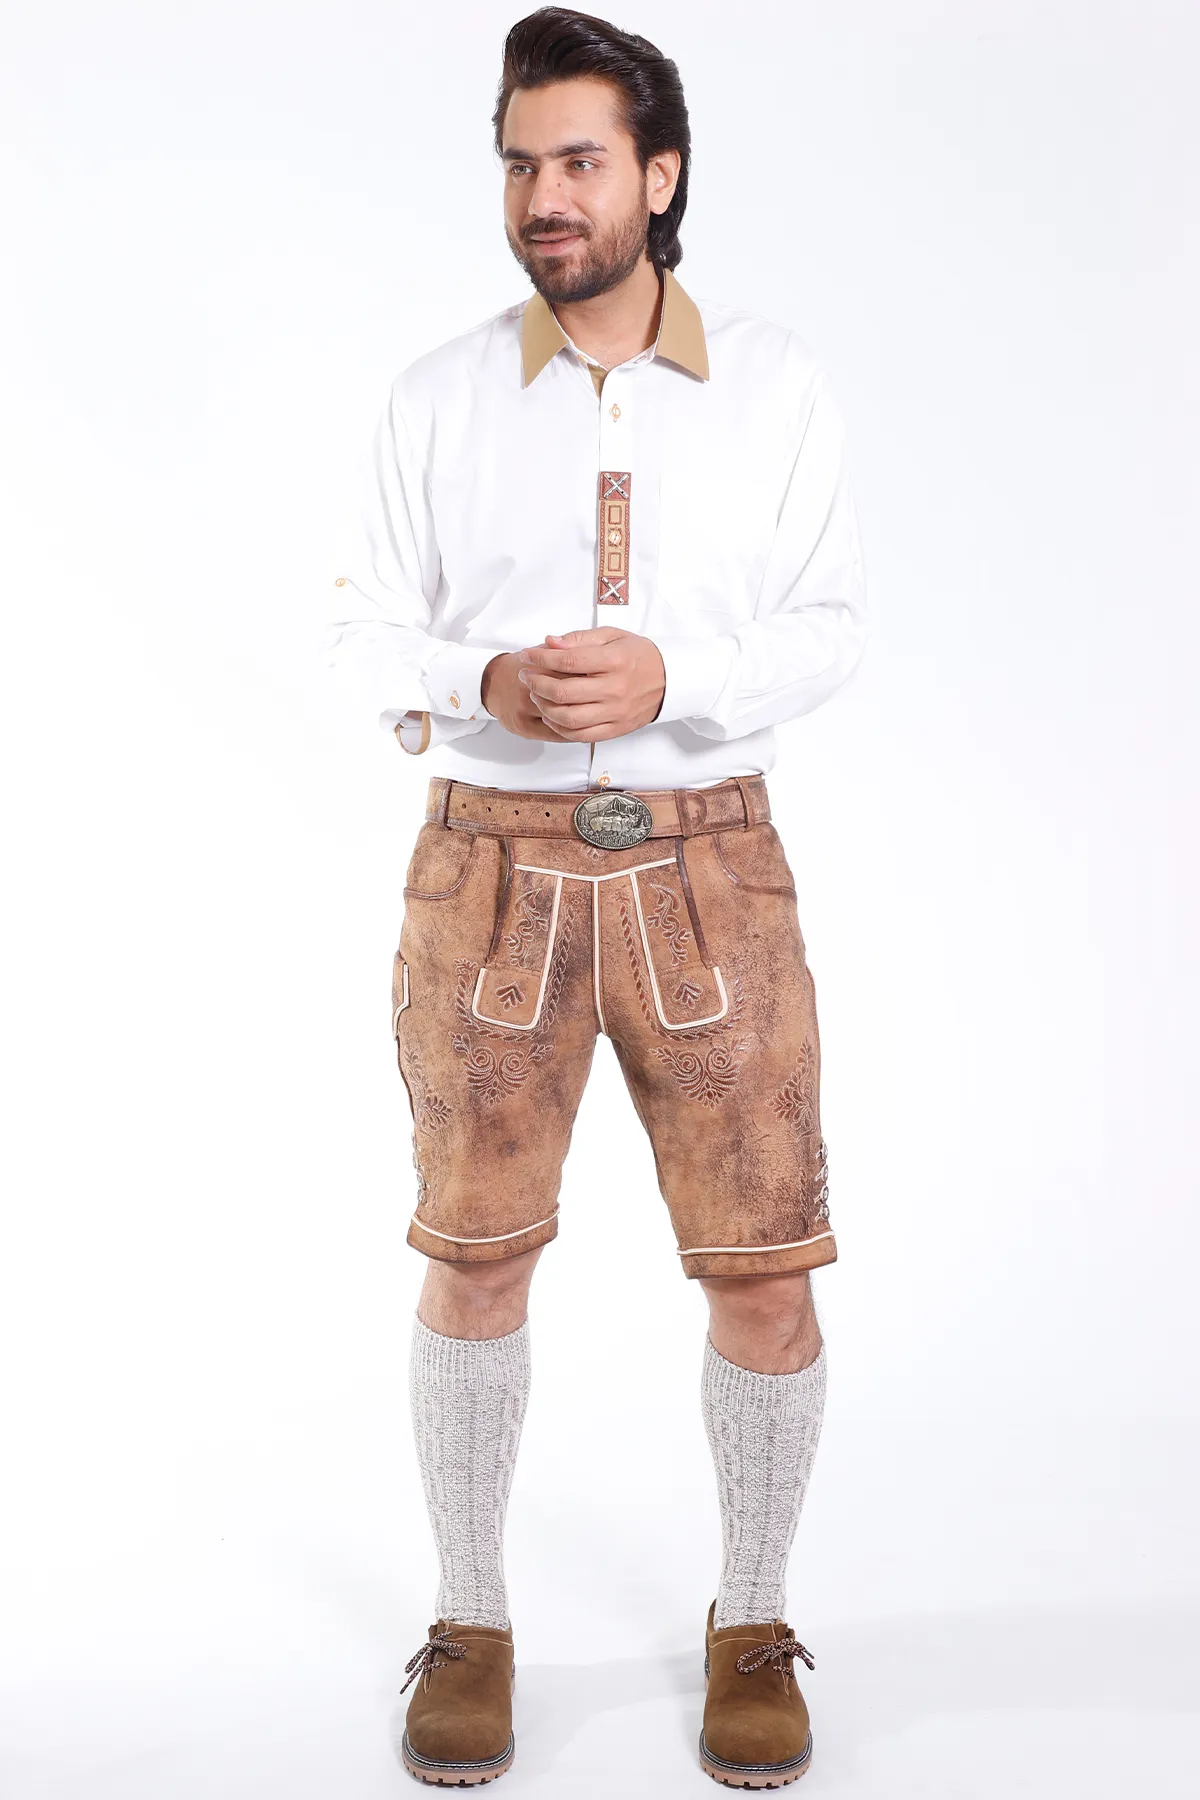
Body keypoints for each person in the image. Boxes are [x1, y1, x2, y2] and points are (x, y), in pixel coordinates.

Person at [325, 6, 867, 1787]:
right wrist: (481, 681)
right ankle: (470, 1620)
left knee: (765, 1276)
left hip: (712, 866)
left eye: (577, 160)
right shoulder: (438, 395)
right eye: (518, 162)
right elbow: (360, 631)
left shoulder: (774, 384)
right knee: (473, 1262)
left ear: (660, 174)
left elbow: (829, 627)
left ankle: (753, 1619)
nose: (542, 197)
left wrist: (675, 676)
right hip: (487, 873)